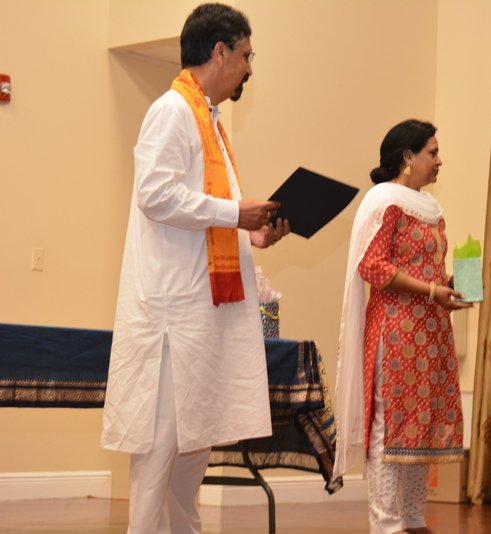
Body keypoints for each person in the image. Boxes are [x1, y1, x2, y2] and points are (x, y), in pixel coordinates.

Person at [100, 4, 289, 533]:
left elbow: (205, 216)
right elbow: (155, 195)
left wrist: (253, 233)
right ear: (219, 51)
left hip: (202, 319)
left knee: (191, 459)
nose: (249, 68)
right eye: (246, 55)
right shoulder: (171, 110)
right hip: (172, 318)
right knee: (160, 453)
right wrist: (234, 213)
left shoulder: (210, 120)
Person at [334, 119, 472, 534]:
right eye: (433, 152)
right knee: (390, 428)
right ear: (408, 157)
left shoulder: (431, 211)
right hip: (395, 331)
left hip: (430, 332)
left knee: (420, 427)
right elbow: (372, 266)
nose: (439, 160)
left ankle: (413, 518)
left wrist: (452, 285)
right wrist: (431, 290)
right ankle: (387, 523)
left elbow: (428, 270)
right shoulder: (385, 201)